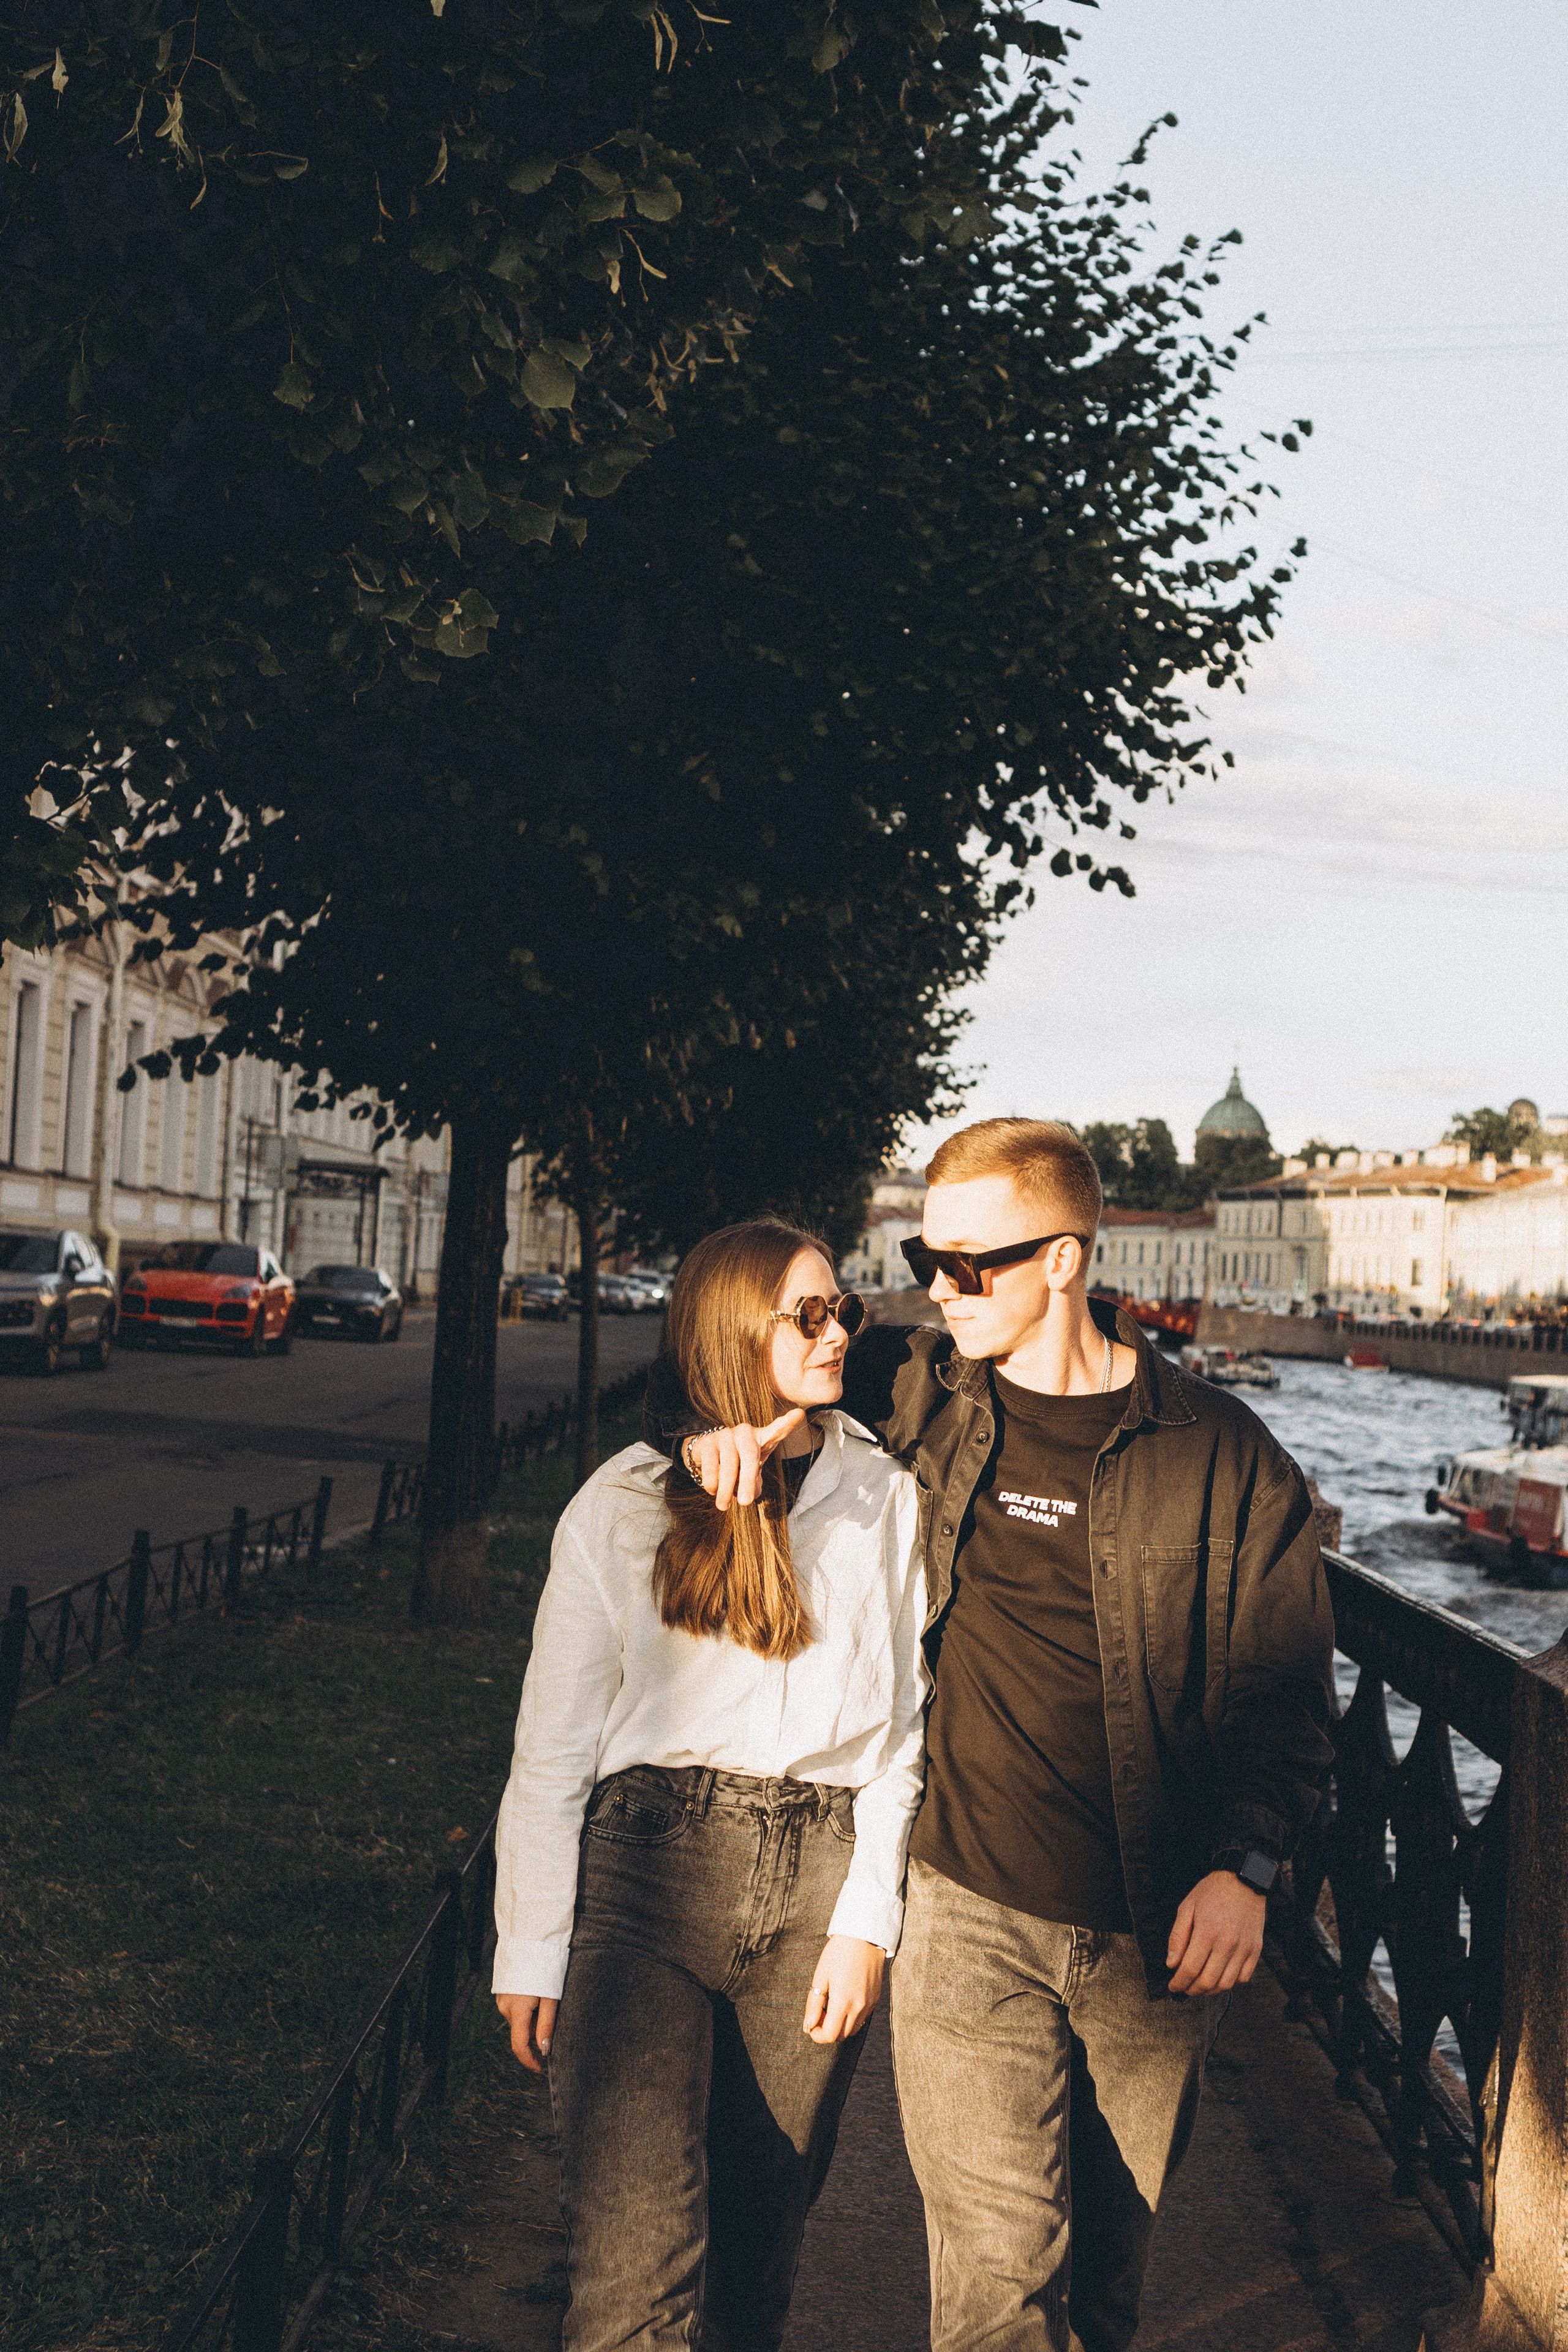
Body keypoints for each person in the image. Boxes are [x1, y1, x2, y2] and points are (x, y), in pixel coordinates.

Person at [663, 1121, 1335, 2352]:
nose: (934, 1284)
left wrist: (1245, 1871)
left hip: (1153, 1936)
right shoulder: (924, 1386)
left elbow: (1285, 1692)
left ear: (1065, 1261)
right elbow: (776, 1337)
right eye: (926, 1256)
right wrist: (730, 1429)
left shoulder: (1226, 1459)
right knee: (992, 2283)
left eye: (969, 1264)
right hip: (962, 1915)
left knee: (1099, 2293)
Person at [493, 1217, 928, 2352]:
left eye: (846, 1311)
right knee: (632, 2275)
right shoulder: (623, 1504)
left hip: (815, 1893)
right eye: (810, 1314)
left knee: (754, 2264)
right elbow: (550, 1748)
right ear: (738, 1332)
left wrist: (866, 1924)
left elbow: (899, 1738)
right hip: (644, 1884)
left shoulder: (884, 1500)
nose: (839, 1331)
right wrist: (532, 1945)